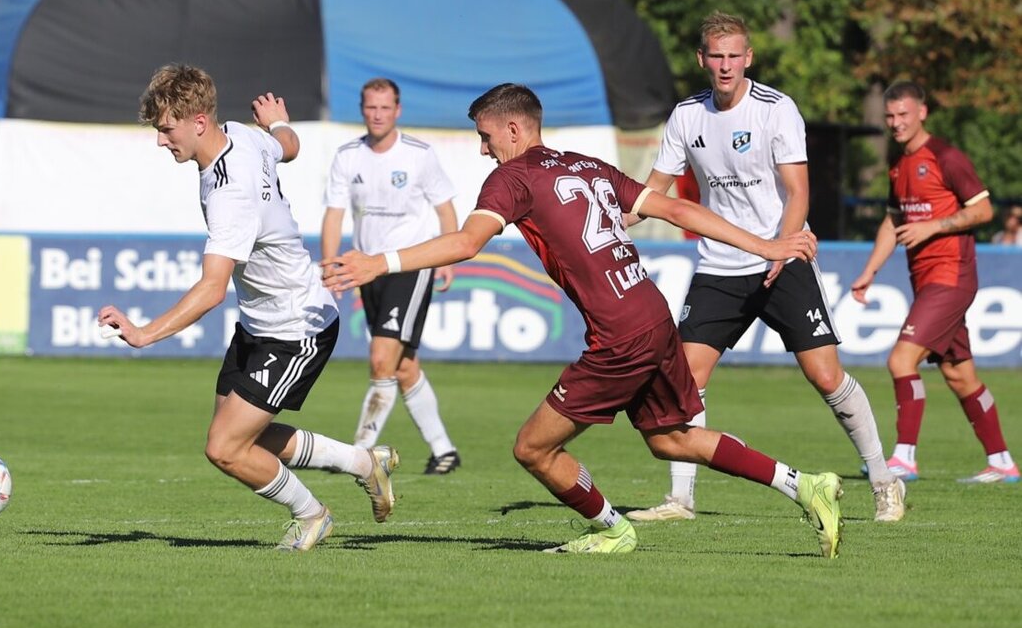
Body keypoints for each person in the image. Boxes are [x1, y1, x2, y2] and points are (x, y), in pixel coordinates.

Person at [323, 82, 845, 557]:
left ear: (513, 128)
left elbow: (465, 243)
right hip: (652, 314)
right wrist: (767, 245)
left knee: (532, 447)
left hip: (620, 335)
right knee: (673, 438)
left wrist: (378, 262)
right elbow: (678, 211)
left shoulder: (513, 178)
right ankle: (804, 485)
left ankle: (611, 529)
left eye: (485, 137)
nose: (484, 150)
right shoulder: (587, 166)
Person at [97, 64, 400, 553]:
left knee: (224, 447)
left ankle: (313, 515)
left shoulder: (228, 194)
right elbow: (290, 148)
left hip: (297, 326)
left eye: (165, 129)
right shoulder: (242, 133)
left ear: (198, 122)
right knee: (241, 437)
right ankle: (367, 463)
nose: (160, 141)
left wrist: (143, 333)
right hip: (261, 322)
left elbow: (213, 288)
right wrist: (279, 123)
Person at [626, 12, 905, 524]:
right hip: (718, 266)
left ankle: (884, 481)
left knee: (825, 376)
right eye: (717, 56)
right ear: (702, 60)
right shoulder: (686, 116)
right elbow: (654, 190)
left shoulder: (776, 109)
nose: (726, 65)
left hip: (782, 257)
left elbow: (798, 190)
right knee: (686, 379)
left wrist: (780, 248)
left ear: (748, 57)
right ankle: (681, 500)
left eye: (734, 55)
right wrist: (612, 219)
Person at [850, 81, 1018, 484]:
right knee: (960, 375)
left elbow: (983, 211)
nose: (896, 123)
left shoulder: (945, 156)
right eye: (890, 116)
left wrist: (933, 227)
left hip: (952, 276)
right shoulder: (898, 162)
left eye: (903, 115)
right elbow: (894, 221)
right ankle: (1002, 463)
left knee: (900, 360)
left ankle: (904, 458)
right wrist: (870, 271)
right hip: (926, 281)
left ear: (922, 112)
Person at [321, 78, 461, 474]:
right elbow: (334, 213)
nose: (377, 114)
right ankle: (444, 450)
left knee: (382, 358)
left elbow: (445, 208)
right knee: (402, 366)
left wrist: (447, 256)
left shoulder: (419, 154)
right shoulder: (348, 156)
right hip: (368, 269)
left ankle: (359, 454)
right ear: (362, 109)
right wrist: (332, 264)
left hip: (410, 265)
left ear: (397, 110)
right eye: (371, 107)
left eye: (385, 108)